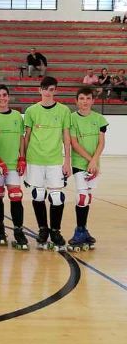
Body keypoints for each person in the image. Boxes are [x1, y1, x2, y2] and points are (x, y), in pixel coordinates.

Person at [24, 76, 71, 250]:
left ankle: (55, 231)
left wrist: (67, 161)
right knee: (38, 194)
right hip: (35, 159)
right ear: (40, 90)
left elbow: (66, 137)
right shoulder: (31, 111)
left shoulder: (64, 110)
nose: (48, 92)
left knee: (57, 197)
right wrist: (23, 158)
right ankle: (43, 229)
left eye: (51, 89)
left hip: (55, 160)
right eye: (45, 89)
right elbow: (27, 136)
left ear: (55, 91)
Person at [0, 85, 28, 250]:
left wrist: (22, 158)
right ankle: (0, 228)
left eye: (4, 95)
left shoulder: (17, 115)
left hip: (13, 165)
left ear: (8, 97)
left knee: (16, 196)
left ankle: (18, 230)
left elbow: (21, 138)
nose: (2, 98)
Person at [67, 87, 108, 251]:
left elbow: (101, 143)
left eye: (88, 98)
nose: (85, 101)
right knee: (82, 197)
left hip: (94, 165)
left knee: (88, 197)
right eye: (82, 98)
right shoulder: (72, 118)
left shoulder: (99, 119)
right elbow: (74, 143)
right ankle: (79, 230)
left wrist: (94, 161)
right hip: (80, 163)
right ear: (76, 101)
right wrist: (90, 160)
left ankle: (84, 229)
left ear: (93, 100)